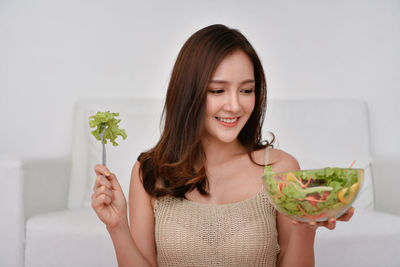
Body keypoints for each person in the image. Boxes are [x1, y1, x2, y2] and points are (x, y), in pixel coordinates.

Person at [92, 24, 354, 267]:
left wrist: (305, 222)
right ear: (189, 93)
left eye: (246, 90)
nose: (235, 105)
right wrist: (117, 227)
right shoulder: (148, 172)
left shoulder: (281, 169)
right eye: (218, 91)